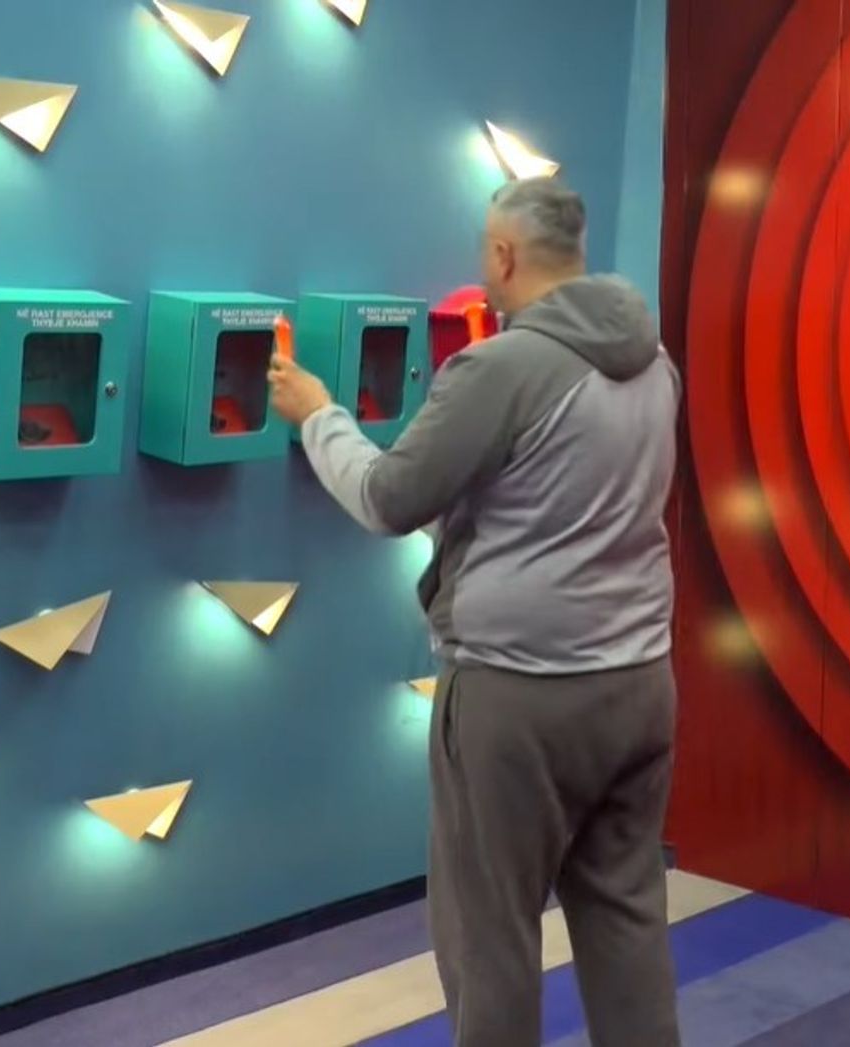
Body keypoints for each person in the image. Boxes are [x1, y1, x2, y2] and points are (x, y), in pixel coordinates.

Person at [268, 177, 682, 1047]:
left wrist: (318, 416)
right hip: (640, 682)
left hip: (518, 697)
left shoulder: (498, 369)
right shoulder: (654, 361)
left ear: (503, 254)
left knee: (490, 936)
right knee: (627, 920)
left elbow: (388, 498)